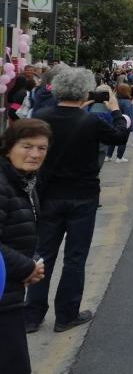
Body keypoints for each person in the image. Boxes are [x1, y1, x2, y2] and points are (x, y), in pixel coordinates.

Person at [26, 68, 130, 334]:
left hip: (48, 195)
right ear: (86, 91)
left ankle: (32, 316)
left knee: (43, 255)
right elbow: (119, 135)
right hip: (82, 196)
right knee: (75, 257)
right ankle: (66, 314)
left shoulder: (41, 117)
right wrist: (115, 108)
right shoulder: (90, 122)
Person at [0, 119, 51, 374]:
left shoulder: (24, 181)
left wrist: (32, 262)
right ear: (8, 148)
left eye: (42, 148)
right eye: (27, 146)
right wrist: (27, 267)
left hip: (11, 288)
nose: (35, 154)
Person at [106, 84, 133, 163]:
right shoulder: (127, 103)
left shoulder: (115, 100)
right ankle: (119, 157)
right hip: (124, 123)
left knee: (112, 139)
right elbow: (130, 116)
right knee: (123, 141)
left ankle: (108, 155)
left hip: (114, 122)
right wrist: (130, 126)